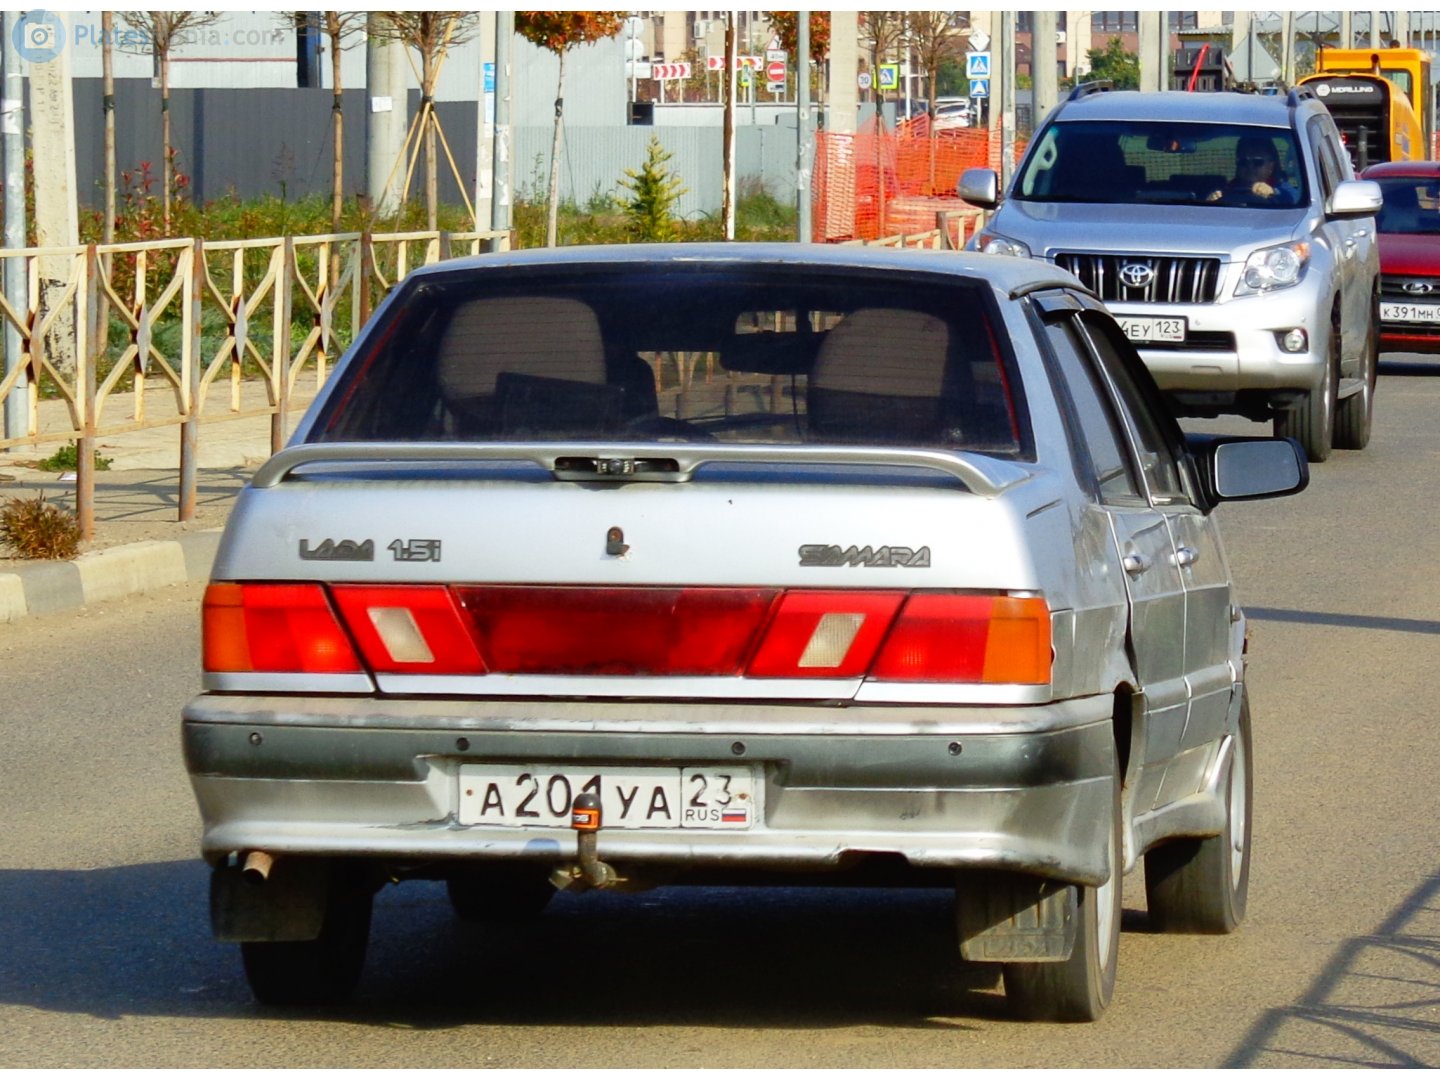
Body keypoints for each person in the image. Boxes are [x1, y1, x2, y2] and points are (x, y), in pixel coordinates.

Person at [1206, 137, 1299, 204]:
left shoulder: (1280, 185)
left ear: (1271, 165)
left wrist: (1273, 192)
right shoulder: (1227, 189)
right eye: (1243, 162)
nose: (1250, 167)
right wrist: (1211, 202)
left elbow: (1296, 198)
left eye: (1257, 162)